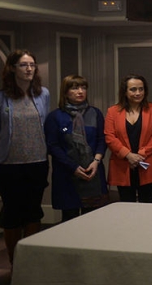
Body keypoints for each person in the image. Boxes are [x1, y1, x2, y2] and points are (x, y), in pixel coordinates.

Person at [0, 49, 50, 265]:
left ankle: (30, 262)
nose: (29, 69)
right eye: (24, 65)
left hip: (37, 162)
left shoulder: (43, 94)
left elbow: (44, 126)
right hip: (9, 165)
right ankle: (15, 261)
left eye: (32, 65)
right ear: (13, 68)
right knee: (12, 213)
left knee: (33, 211)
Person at [45, 75, 109, 222]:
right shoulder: (55, 117)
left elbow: (101, 140)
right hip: (67, 174)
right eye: (75, 88)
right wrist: (73, 167)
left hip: (93, 172)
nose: (80, 91)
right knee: (69, 219)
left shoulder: (95, 113)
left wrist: (96, 161)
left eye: (83, 87)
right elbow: (52, 146)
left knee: (93, 219)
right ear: (65, 92)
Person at [105, 74, 152, 203]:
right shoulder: (113, 111)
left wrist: (139, 155)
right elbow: (109, 137)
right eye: (133, 89)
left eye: (141, 89)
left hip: (146, 163)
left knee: (147, 203)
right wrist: (128, 155)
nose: (138, 93)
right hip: (122, 165)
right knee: (126, 204)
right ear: (125, 92)